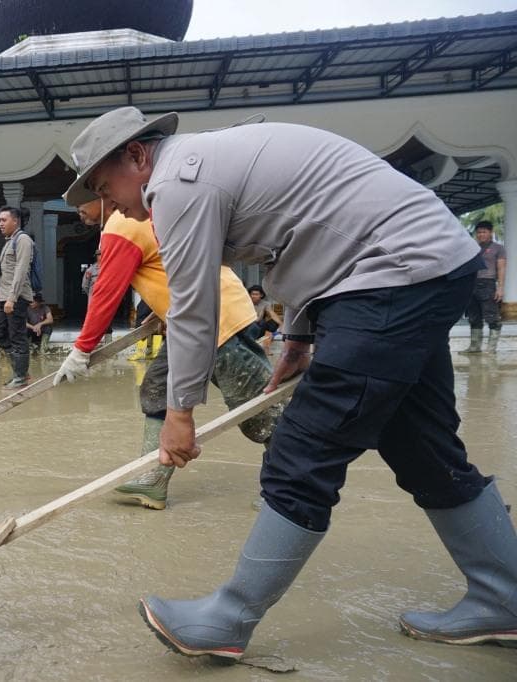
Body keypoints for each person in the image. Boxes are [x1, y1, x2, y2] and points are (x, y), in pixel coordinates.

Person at [65, 106, 516, 660]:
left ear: (136, 156)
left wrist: (181, 414)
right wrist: (298, 341)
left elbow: (192, 305)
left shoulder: (176, 183)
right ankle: (507, 598)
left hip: (392, 273)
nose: (114, 206)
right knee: (421, 444)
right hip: (425, 265)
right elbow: (307, 244)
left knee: (303, 450)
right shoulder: (205, 162)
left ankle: (228, 619)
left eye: (107, 187)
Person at [56, 197, 278, 510]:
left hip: (218, 317)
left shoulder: (122, 224)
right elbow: (171, 267)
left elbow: (107, 291)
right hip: (186, 322)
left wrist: (82, 349)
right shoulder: (138, 219)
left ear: (103, 196)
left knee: (258, 409)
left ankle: (288, 490)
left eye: (84, 196)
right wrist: (162, 310)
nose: (75, 205)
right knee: (158, 389)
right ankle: (153, 479)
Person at [0, 206, 35, 388]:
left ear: (15, 221)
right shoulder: (9, 241)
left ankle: (20, 376)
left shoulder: (23, 240)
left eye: (4, 220)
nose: (0, 223)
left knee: (17, 335)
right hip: (3, 296)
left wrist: (12, 298)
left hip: (15, 297)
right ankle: (21, 371)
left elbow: (21, 270)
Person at [460, 220, 507, 354]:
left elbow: (502, 268)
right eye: (479, 232)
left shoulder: (498, 248)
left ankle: (491, 349)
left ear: (491, 233)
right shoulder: (472, 247)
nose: (481, 234)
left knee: (491, 317)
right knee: (474, 317)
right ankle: (475, 347)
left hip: (488, 284)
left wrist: (500, 288)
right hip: (471, 284)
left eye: (484, 232)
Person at [247, 284, 283, 351]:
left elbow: (272, 314)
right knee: (261, 322)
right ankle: (257, 339)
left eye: (256, 294)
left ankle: (267, 336)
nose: (254, 296)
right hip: (250, 325)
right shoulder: (246, 303)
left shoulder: (265, 304)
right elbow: (255, 320)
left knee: (272, 322)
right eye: (252, 294)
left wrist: (281, 324)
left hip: (260, 325)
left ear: (261, 295)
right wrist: (260, 315)